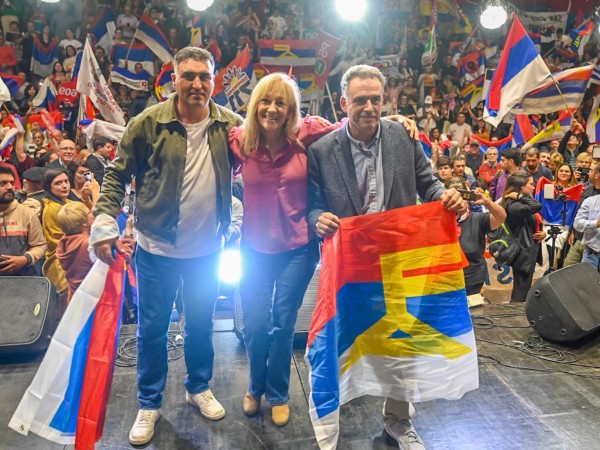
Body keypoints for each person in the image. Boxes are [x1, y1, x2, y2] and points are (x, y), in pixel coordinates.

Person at [91, 47, 243, 447]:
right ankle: (149, 402)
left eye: (204, 77)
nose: (197, 84)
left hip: (207, 252)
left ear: (214, 80)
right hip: (155, 251)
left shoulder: (229, 125)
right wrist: (104, 223)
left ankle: (198, 387)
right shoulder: (147, 123)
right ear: (173, 79)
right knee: (152, 331)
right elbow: (116, 175)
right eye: (188, 76)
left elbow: (279, 138)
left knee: (199, 328)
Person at [307, 64, 463, 450]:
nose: (369, 107)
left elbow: (428, 183)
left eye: (376, 99)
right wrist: (317, 218)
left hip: (399, 261)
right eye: (360, 100)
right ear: (343, 103)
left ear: (385, 100)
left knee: (401, 343)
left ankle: (397, 420)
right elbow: (311, 204)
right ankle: (330, 427)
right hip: (349, 266)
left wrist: (444, 196)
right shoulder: (322, 151)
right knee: (340, 342)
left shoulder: (402, 137)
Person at [228, 72, 340, 426]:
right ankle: (254, 386)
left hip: (297, 250)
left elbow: (350, 126)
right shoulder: (239, 140)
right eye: (266, 101)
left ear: (291, 109)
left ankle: (277, 394)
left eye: (281, 103)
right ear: (254, 104)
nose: (272, 109)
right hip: (254, 250)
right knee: (255, 324)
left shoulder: (308, 133)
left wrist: (392, 120)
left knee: (283, 324)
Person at [445, 176, 506, 295]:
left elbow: (501, 217)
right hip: (446, 282)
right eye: (455, 198)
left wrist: (487, 202)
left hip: (473, 281)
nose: (460, 201)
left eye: (463, 196)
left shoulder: (478, 220)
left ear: (468, 197)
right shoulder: (439, 222)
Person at [501, 172, 545, 302]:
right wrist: (520, 196)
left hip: (528, 250)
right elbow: (536, 206)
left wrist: (542, 233)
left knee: (524, 289)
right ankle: (516, 318)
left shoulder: (519, 202)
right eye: (531, 184)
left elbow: (531, 221)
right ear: (521, 187)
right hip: (522, 253)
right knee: (521, 292)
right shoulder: (513, 204)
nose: (533, 186)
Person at [0, 166, 47, 276]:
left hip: (22, 281)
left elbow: (40, 246)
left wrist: (25, 259)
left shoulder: (27, 213)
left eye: (11, 183)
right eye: (3, 183)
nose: (10, 187)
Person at [41, 169, 72, 308]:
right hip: (61, 264)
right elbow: (57, 241)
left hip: (72, 260)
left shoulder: (69, 202)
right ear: (48, 187)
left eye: (66, 181)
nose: (64, 186)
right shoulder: (51, 208)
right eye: (58, 183)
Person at [56, 201, 95, 302]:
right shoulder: (88, 244)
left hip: (75, 301)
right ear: (83, 223)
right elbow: (122, 255)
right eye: (89, 212)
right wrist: (128, 232)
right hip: (93, 302)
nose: (93, 214)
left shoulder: (65, 241)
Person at [573, 164, 600, 271]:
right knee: (584, 287)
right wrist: (596, 224)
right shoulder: (591, 200)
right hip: (590, 253)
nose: (588, 173)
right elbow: (577, 223)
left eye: (591, 171)